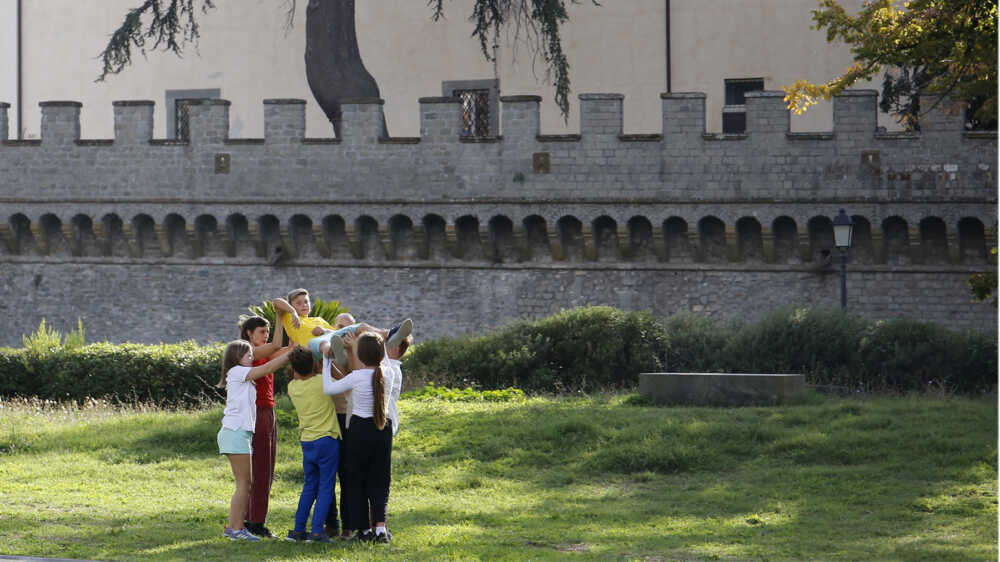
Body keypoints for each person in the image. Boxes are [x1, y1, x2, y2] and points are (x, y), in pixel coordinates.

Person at [321, 332, 394, 543]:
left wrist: (326, 361)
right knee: (380, 479)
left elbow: (328, 388)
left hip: (359, 430)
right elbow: (384, 359)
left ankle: (363, 530)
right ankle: (380, 530)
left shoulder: (356, 377)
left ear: (360, 355)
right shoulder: (389, 373)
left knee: (357, 480)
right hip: (383, 428)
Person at [216, 340, 292, 541]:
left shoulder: (242, 375)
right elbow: (267, 368)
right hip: (236, 432)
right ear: (237, 358)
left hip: (239, 433)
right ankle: (236, 530)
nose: (252, 358)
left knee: (244, 484)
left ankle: (233, 528)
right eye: (248, 355)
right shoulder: (237, 372)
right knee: (244, 484)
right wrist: (289, 355)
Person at [237, 315, 287, 539]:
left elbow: (289, 349)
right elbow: (277, 346)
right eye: (262, 332)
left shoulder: (263, 352)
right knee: (261, 469)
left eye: (267, 331)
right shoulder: (248, 352)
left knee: (267, 468)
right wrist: (282, 315)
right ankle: (254, 521)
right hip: (257, 412)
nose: (266, 336)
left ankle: (252, 518)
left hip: (268, 410)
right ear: (249, 333)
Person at [284, 347, 340, 544]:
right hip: (327, 440)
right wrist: (326, 359)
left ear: (293, 369)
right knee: (326, 487)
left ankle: (298, 530)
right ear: (313, 364)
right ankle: (316, 532)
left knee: (309, 486)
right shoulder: (322, 382)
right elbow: (339, 381)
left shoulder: (292, 387)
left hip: (307, 442)